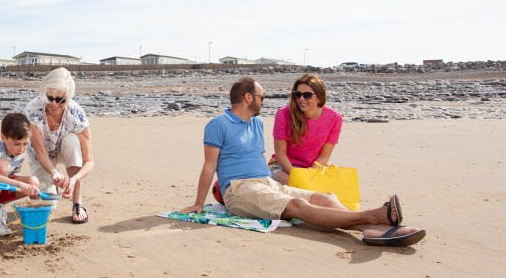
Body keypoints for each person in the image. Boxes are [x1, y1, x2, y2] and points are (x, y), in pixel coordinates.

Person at [179, 77, 426, 247]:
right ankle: (374, 217)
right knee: (296, 205)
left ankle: (370, 230)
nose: (263, 100)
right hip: (240, 188)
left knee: (326, 197)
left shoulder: (257, 122)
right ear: (247, 97)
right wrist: (199, 203)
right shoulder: (217, 125)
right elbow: (209, 166)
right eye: (261, 97)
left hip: (267, 182)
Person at [24, 67, 94, 224]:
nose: (54, 104)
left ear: (68, 98)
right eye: (50, 97)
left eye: (60, 100)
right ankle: (51, 186)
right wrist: (54, 172)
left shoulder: (76, 114)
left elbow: (89, 161)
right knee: (44, 202)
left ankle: (78, 203)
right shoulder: (32, 110)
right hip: (41, 154)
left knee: (71, 140)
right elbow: (41, 152)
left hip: (64, 149)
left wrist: (75, 178)